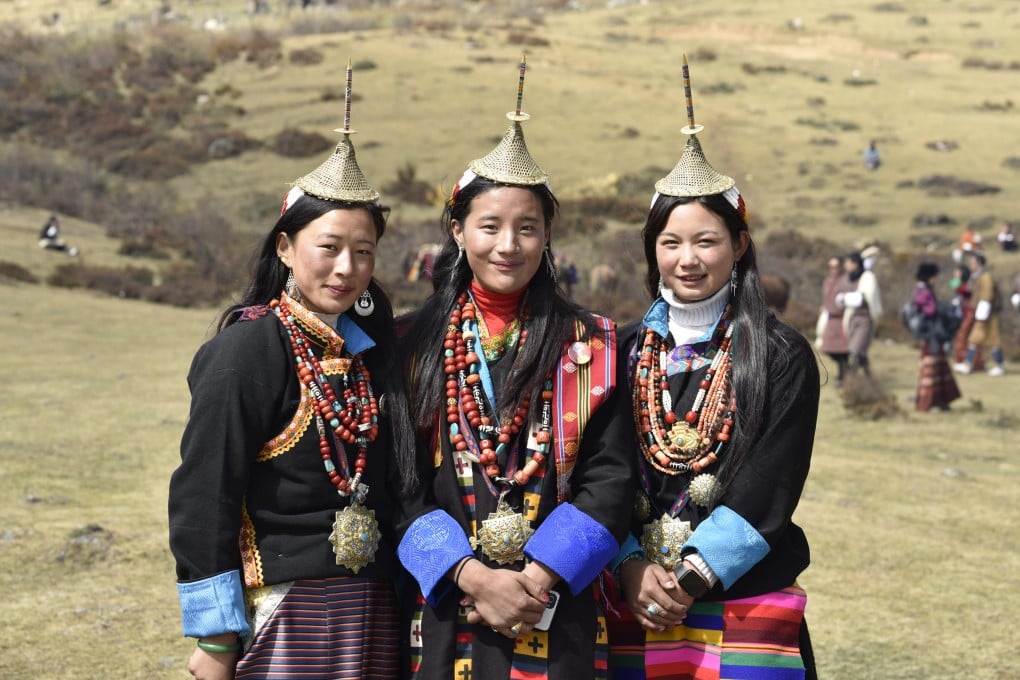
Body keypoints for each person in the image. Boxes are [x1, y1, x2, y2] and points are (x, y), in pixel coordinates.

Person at [391, 58, 636, 679]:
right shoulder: (412, 345)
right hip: (447, 602)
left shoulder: (593, 344)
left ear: (548, 235)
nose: (509, 246)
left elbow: (610, 478)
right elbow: (402, 483)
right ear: (456, 230)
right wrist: (472, 576)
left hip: (557, 603)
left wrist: (536, 577)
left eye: (527, 228)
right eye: (490, 226)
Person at [168, 78, 403, 680]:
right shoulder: (246, 350)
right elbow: (203, 495)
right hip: (284, 609)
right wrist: (217, 637)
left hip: (372, 610)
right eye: (328, 247)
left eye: (364, 251)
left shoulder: (375, 352)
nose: (346, 268)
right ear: (286, 247)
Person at [606, 59, 819, 679]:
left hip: (742, 594)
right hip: (632, 594)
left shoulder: (780, 355)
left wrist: (693, 575)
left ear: (740, 245)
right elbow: (601, 467)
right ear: (652, 250)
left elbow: (771, 480)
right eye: (670, 243)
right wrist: (628, 565)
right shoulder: (617, 350)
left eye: (707, 241)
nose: (688, 259)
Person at [910, 263, 961, 412]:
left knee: (937, 366)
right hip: (930, 334)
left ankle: (939, 401)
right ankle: (930, 402)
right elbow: (930, 310)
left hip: (929, 334)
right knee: (931, 368)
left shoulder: (920, 290)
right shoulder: (924, 292)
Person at [954, 251, 1006, 376]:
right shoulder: (977, 277)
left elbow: (986, 296)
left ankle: (999, 365)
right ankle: (968, 363)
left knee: (992, 340)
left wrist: (981, 313)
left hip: (987, 314)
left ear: (979, 264)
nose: (971, 265)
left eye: (973, 263)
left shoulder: (985, 277)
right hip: (982, 313)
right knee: (975, 339)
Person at [840, 251, 882, 377]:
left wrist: (846, 298)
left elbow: (864, 297)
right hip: (852, 318)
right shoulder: (849, 278)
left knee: (856, 350)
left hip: (865, 318)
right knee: (859, 351)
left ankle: (851, 379)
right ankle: (869, 377)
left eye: (848, 263)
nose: (846, 265)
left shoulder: (867, 277)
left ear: (856, 264)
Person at [819, 255, 850, 386]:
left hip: (842, 319)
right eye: (831, 267)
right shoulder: (827, 281)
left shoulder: (845, 281)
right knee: (828, 348)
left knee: (843, 351)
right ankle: (844, 372)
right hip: (830, 318)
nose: (833, 270)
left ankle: (844, 375)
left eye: (836, 266)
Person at [949, 264, 984, 370]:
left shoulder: (967, 284)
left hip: (969, 313)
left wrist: (957, 279)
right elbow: (953, 285)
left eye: (957, 272)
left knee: (963, 336)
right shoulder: (962, 284)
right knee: (966, 337)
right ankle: (970, 361)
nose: (955, 274)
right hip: (964, 313)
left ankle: (965, 360)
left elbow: (960, 288)